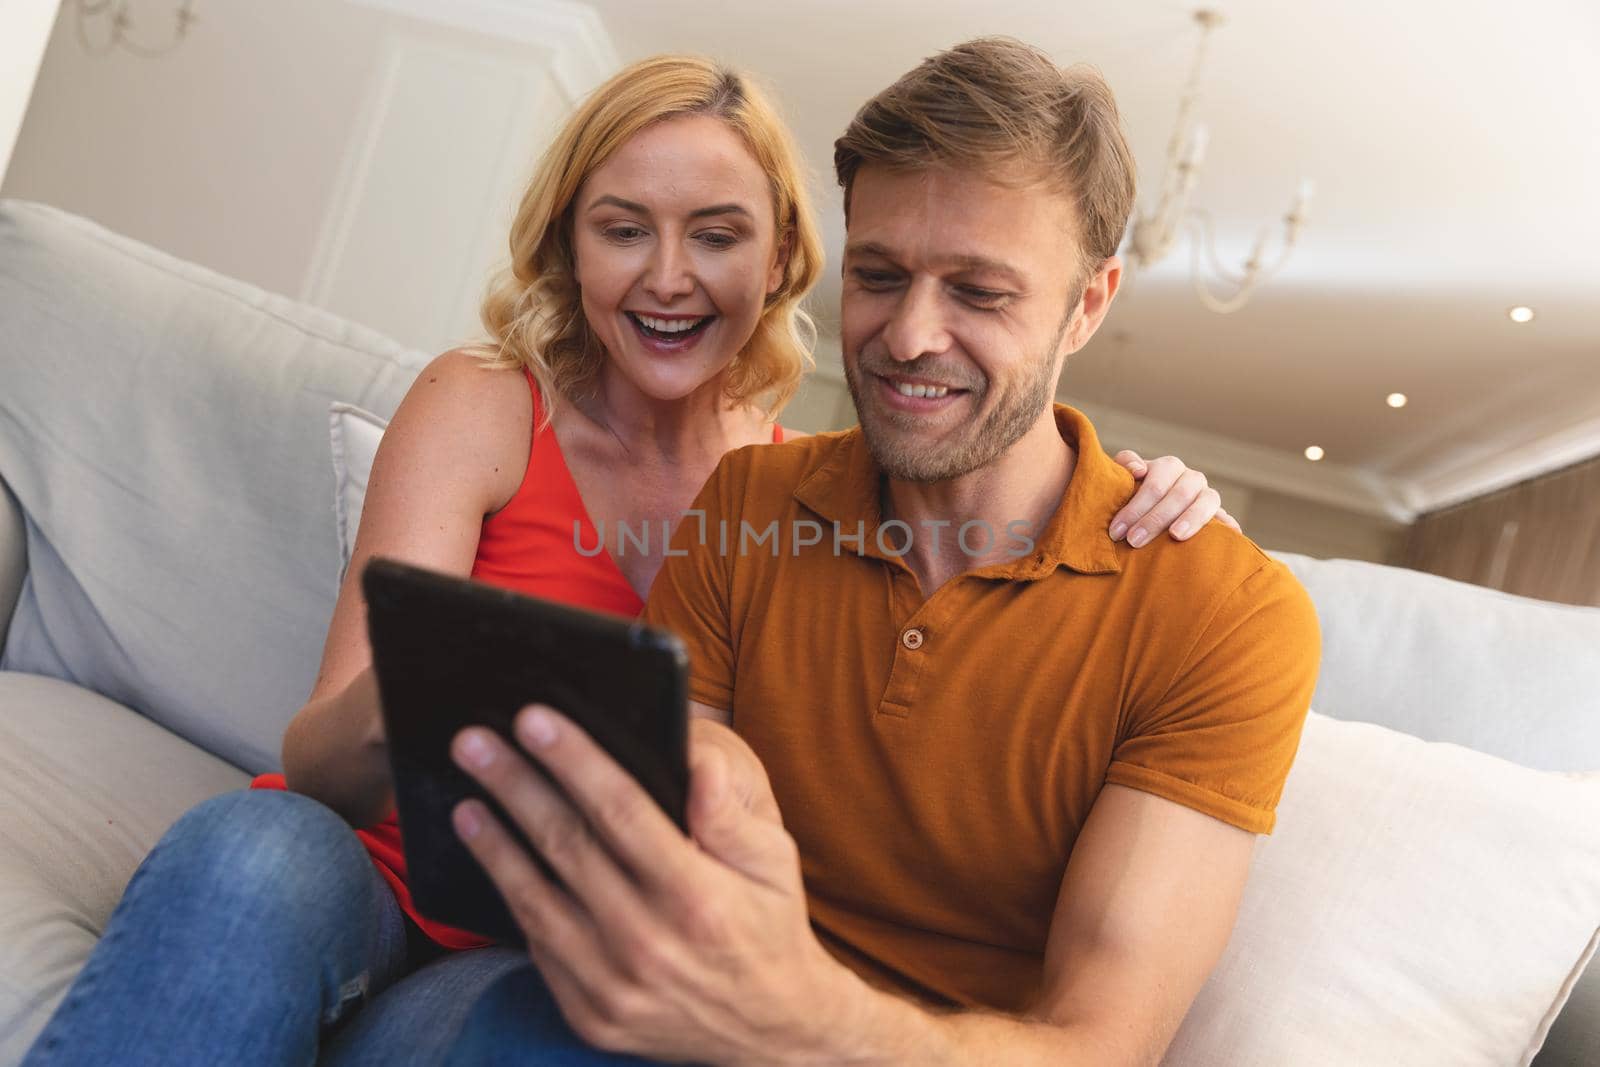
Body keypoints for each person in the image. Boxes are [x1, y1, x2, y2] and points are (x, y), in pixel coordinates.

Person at [21, 52, 1233, 1066]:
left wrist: (1138, 488)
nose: (666, 275)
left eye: (714, 234)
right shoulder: (488, 406)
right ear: (571, 247)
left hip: (543, 946)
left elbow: (983, 444)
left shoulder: (806, 485)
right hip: (365, 867)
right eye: (622, 230)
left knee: (573, 1024)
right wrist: (431, 680)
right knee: (250, 853)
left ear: (778, 262)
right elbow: (320, 758)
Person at [437, 37, 1323, 1067]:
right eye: (880, 275)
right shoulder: (749, 498)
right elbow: (678, 810)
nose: (907, 336)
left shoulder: (1222, 610)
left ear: (1089, 303)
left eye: (980, 294)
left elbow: (1098, 1043)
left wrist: (801, 1018)